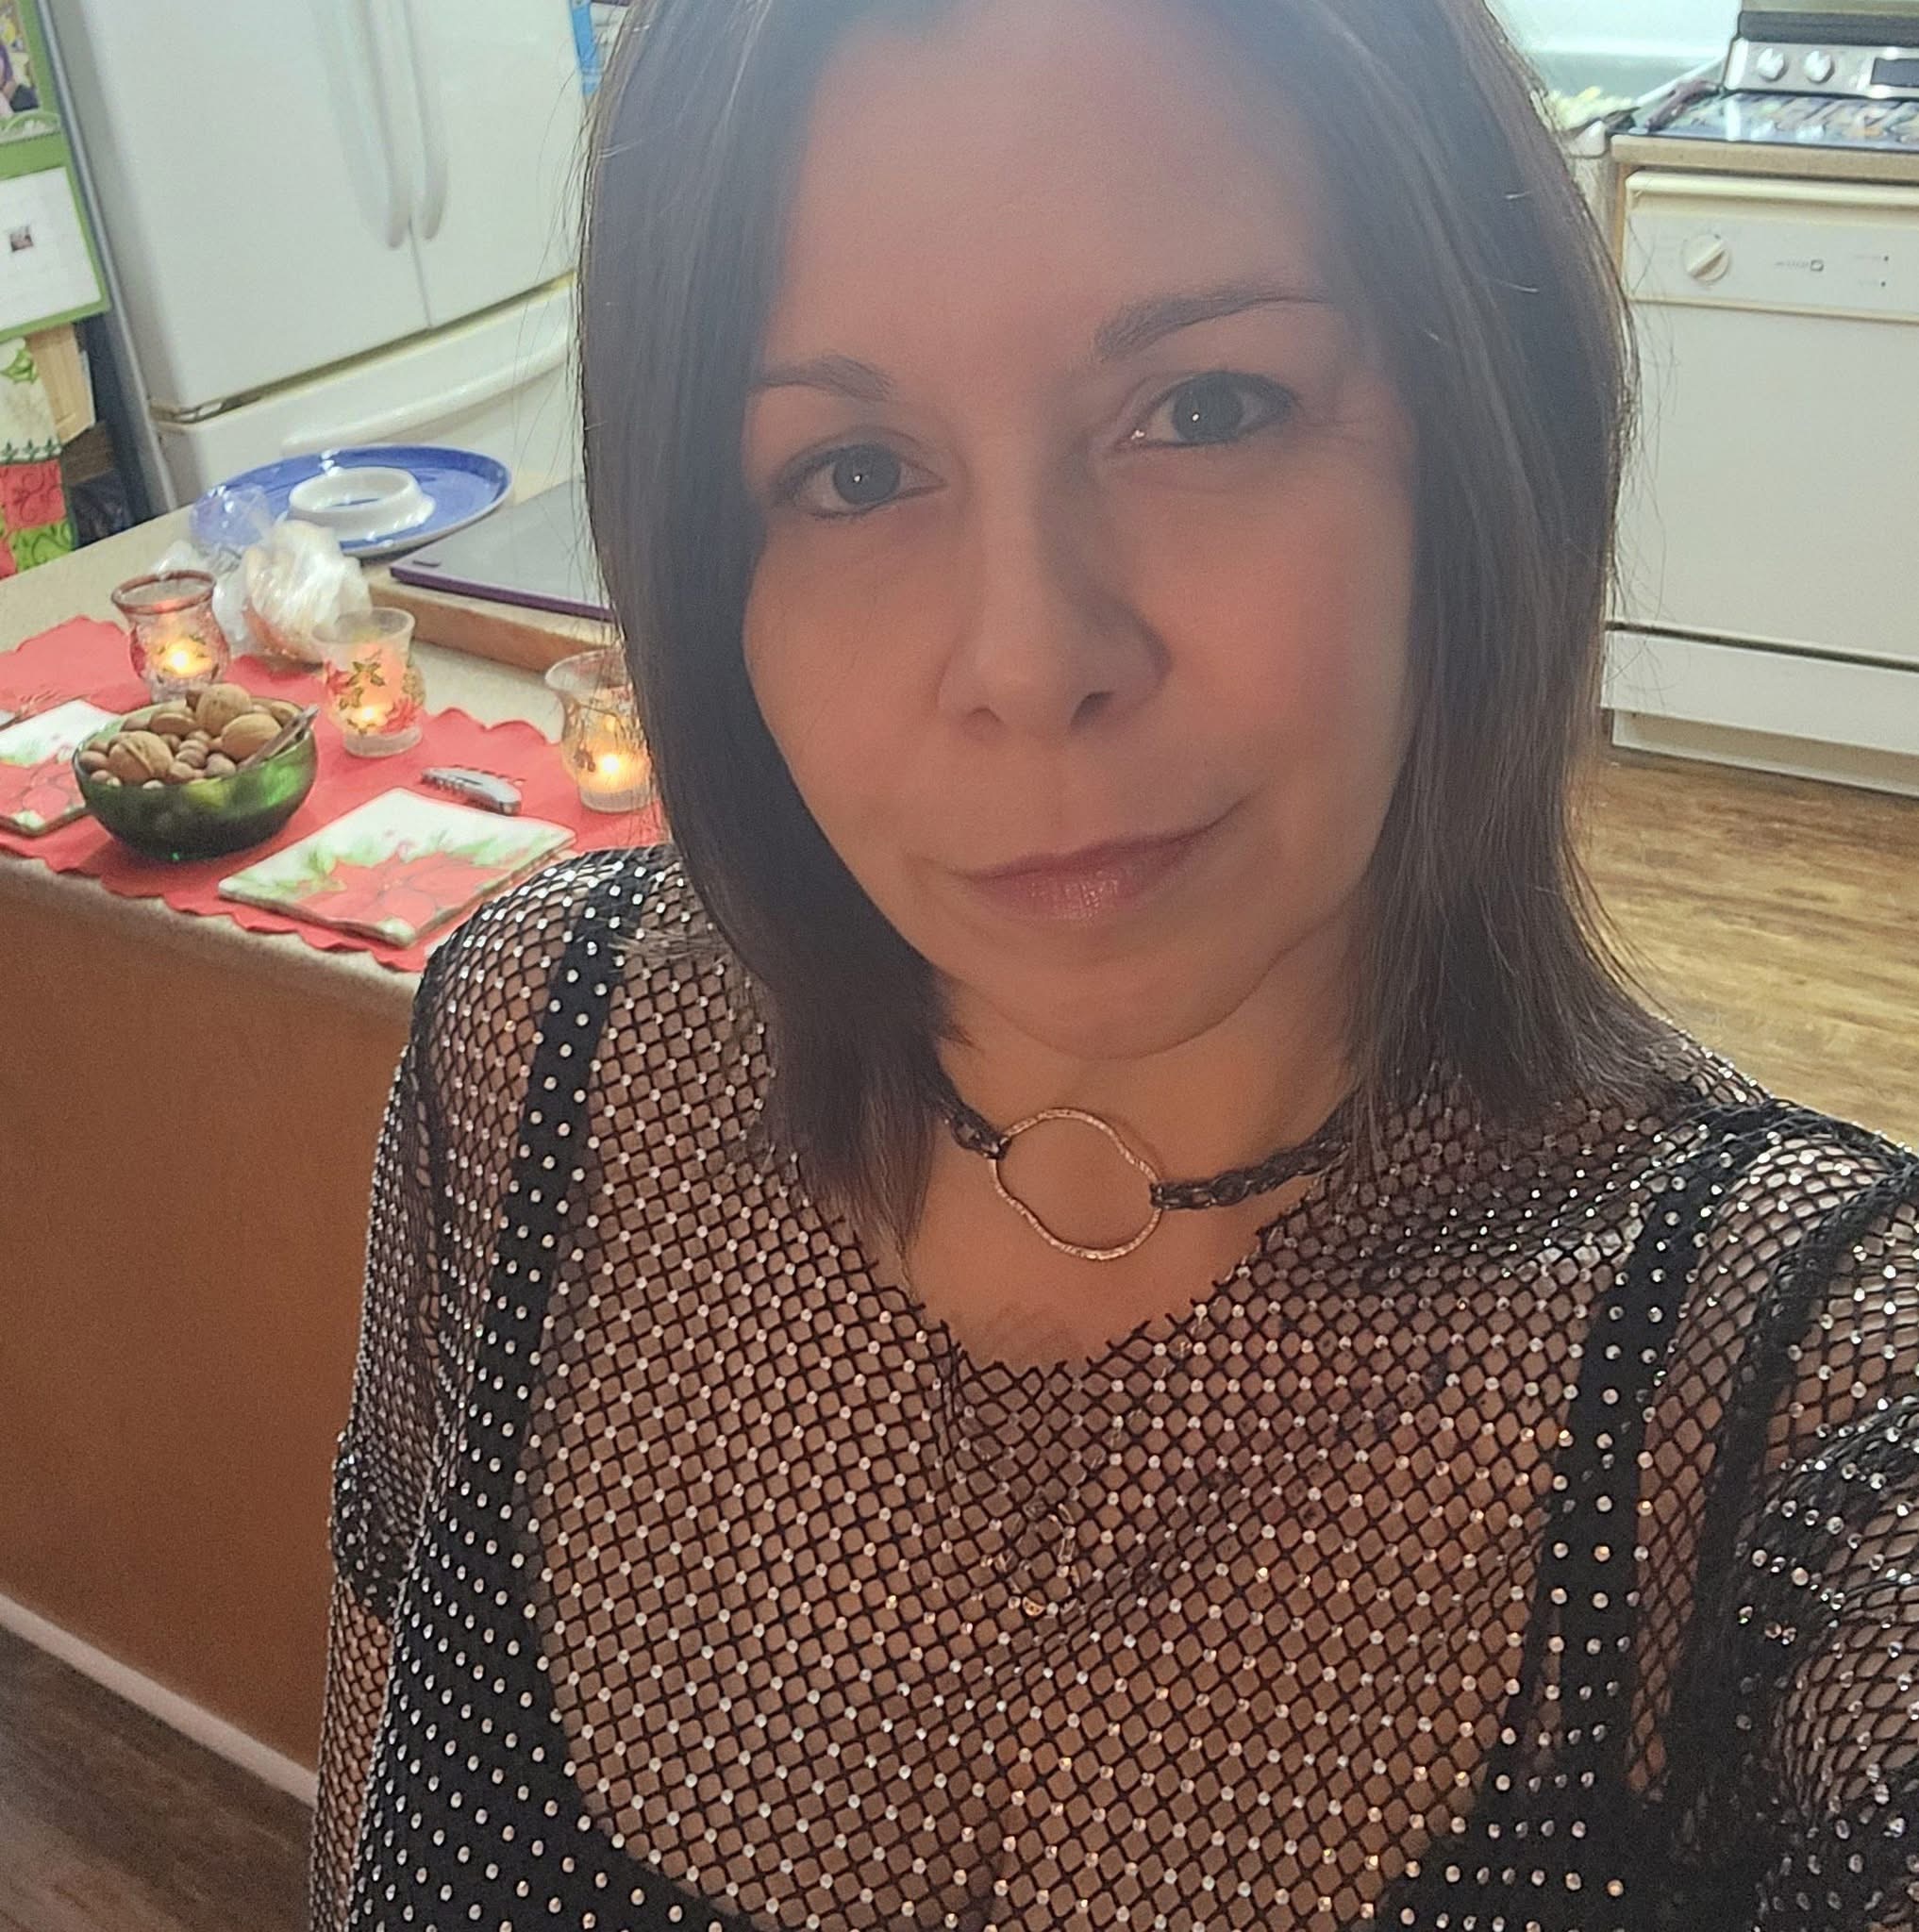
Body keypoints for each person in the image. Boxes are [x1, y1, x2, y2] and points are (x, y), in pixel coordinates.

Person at [310, 0, 1919, 1925]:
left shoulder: (1799, 1381)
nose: (1028, 659)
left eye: (1208, 408)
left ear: (1479, 447)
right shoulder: (535, 1051)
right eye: (852, 472)